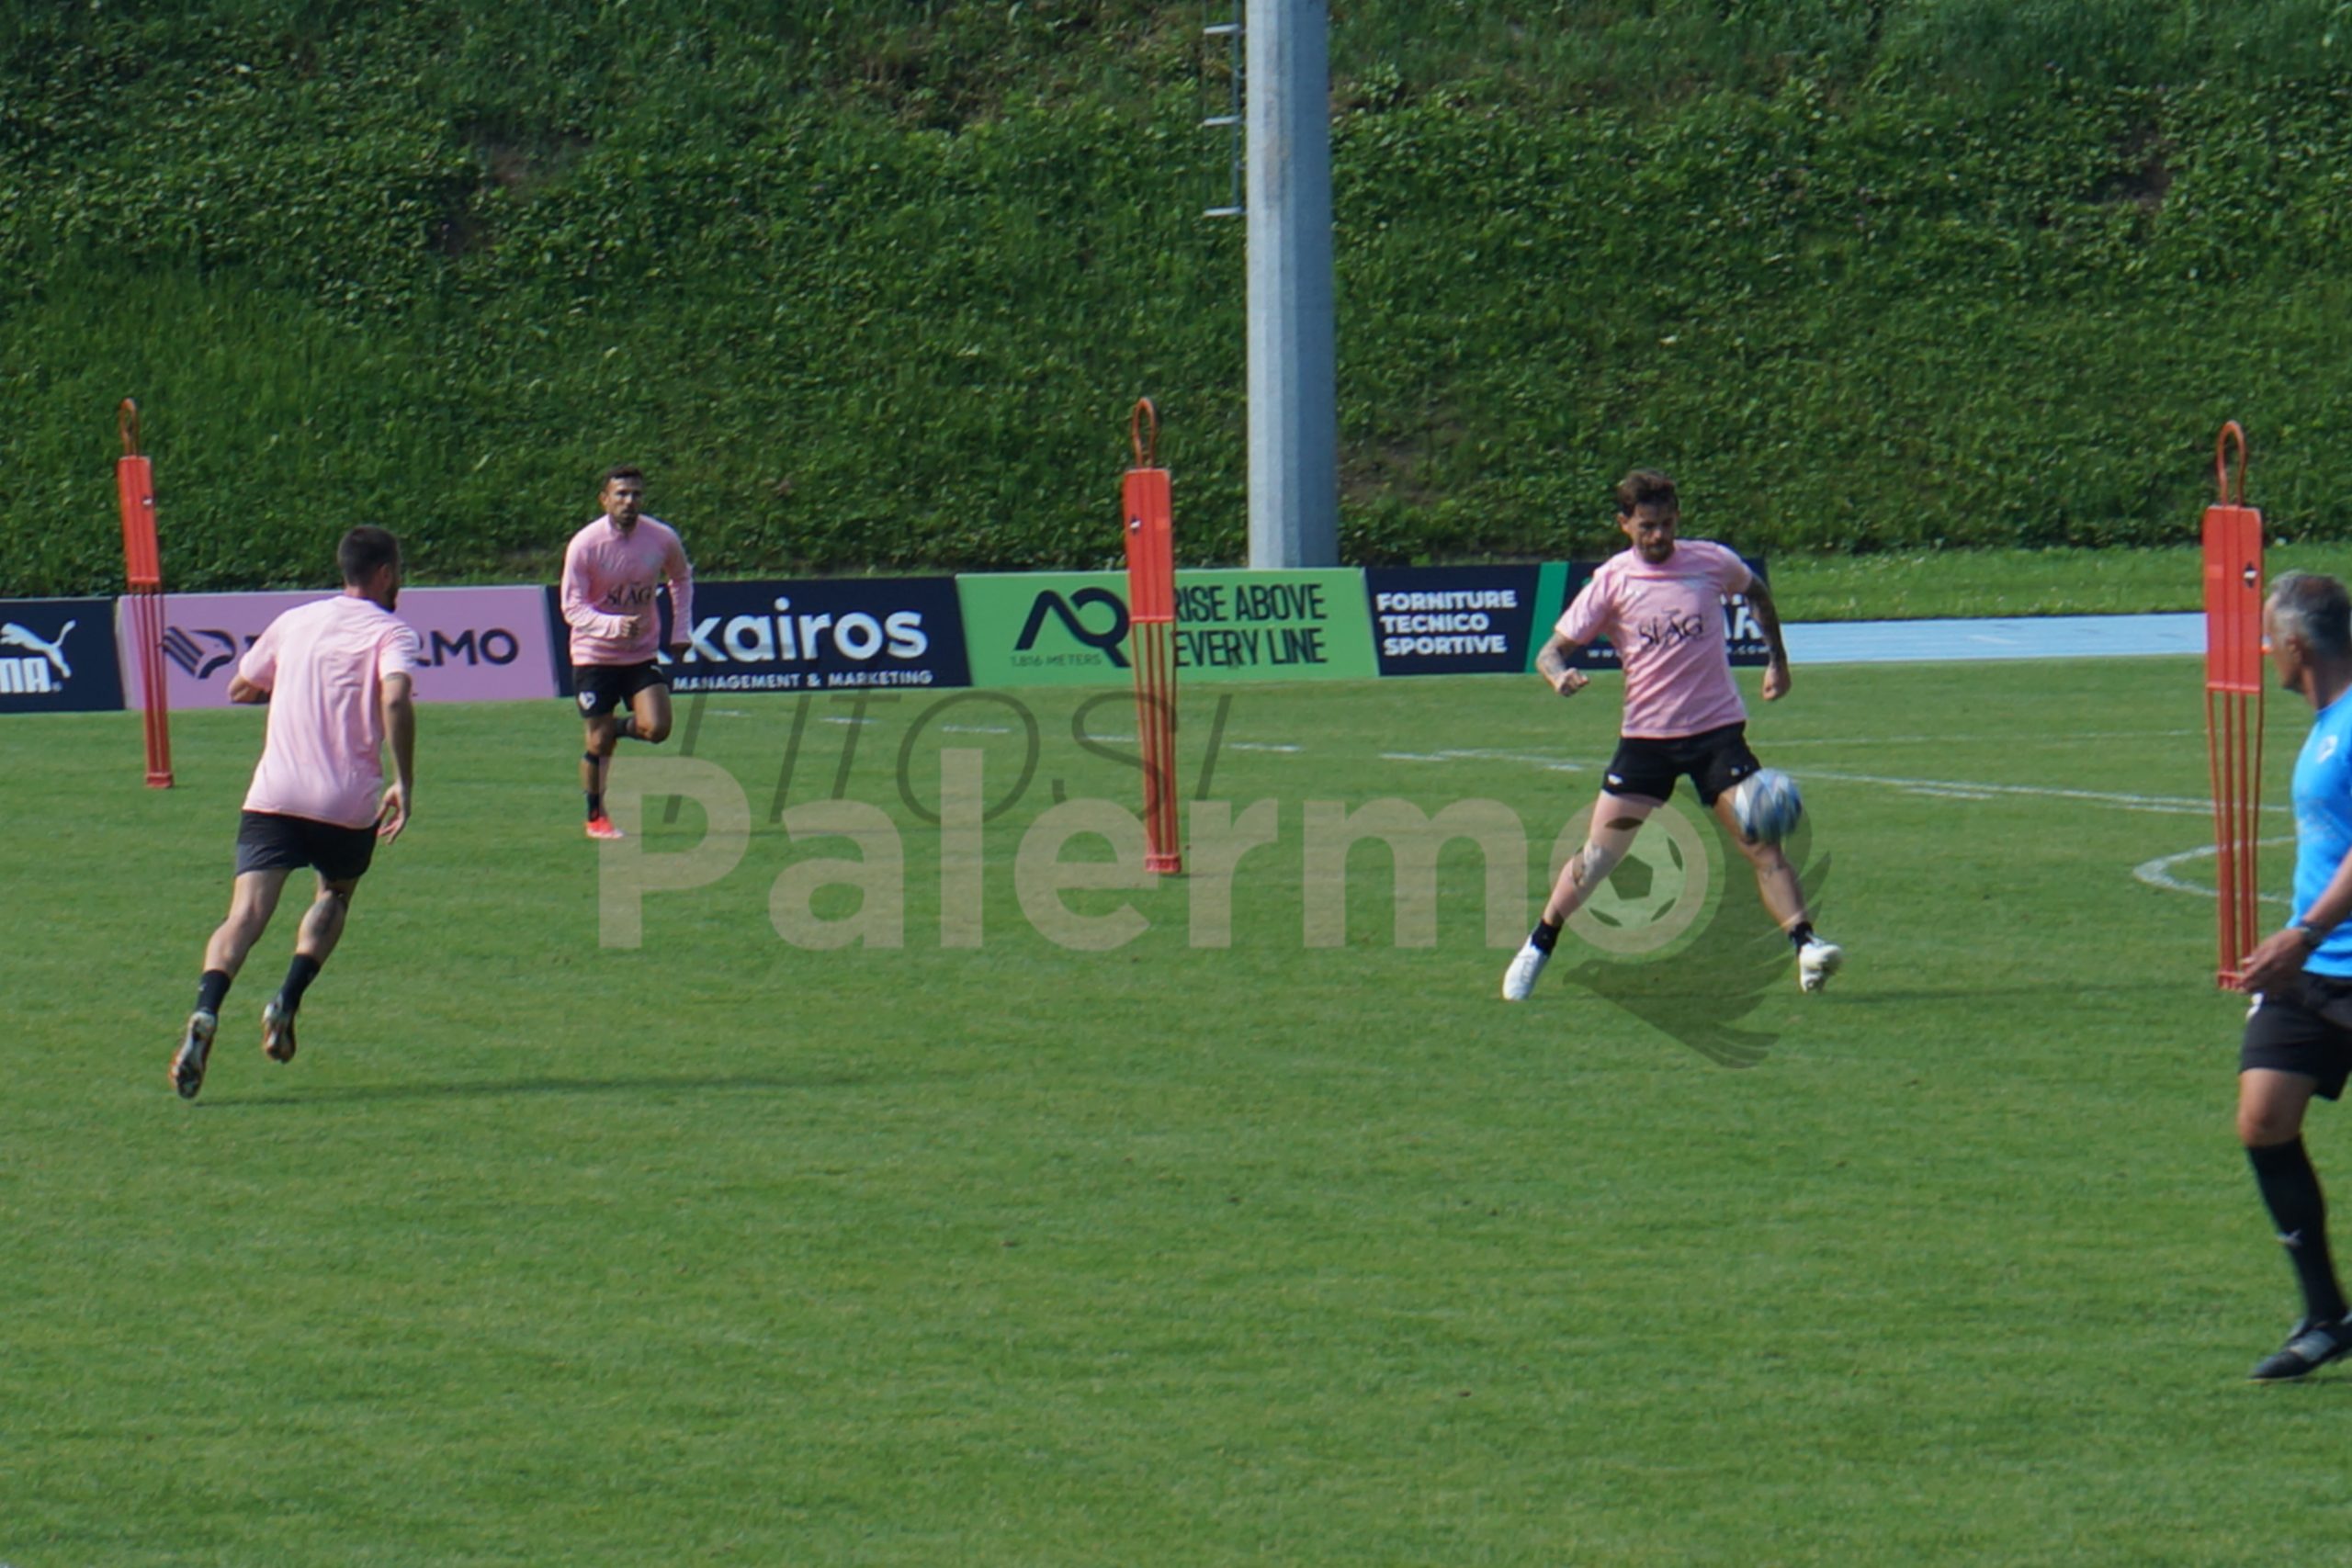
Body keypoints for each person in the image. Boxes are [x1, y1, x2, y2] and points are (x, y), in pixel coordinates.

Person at [1501, 468, 1841, 1001]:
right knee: (1598, 859)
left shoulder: (1710, 561)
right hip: (1646, 742)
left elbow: (1757, 593)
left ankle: (1806, 947)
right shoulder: (1612, 581)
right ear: (1624, 525)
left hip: (1716, 733)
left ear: (1677, 518)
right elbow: (1551, 648)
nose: (1657, 536)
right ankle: (1537, 947)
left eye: (1665, 524)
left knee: (1760, 841)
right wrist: (1557, 675)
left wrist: (1778, 660)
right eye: (1646, 527)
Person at [170, 525, 419, 1100]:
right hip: (345, 799)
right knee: (334, 894)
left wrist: (287, 688)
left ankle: (207, 1010)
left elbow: (239, 688)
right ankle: (286, 998)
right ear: (383, 574)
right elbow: (395, 696)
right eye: (398, 570)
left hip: (275, 793)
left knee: (246, 915)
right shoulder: (392, 631)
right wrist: (404, 781)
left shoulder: (295, 620)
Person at [2233, 570, 2352, 1381]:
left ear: (2298, 645)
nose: (2264, 648)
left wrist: (2301, 931)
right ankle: (2327, 1315)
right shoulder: (2323, 725)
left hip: (2321, 950)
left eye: (2269, 635)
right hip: (2310, 971)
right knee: (2263, 1119)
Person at [561, 464, 694, 840]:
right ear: (604, 499)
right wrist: (613, 625)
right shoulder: (585, 545)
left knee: (658, 728)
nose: (629, 501)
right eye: (621, 494)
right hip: (594, 655)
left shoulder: (661, 538)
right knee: (599, 744)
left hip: (640, 653)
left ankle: (608, 730)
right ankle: (595, 816)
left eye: (635, 494)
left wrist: (681, 629)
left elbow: (681, 577)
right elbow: (572, 608)